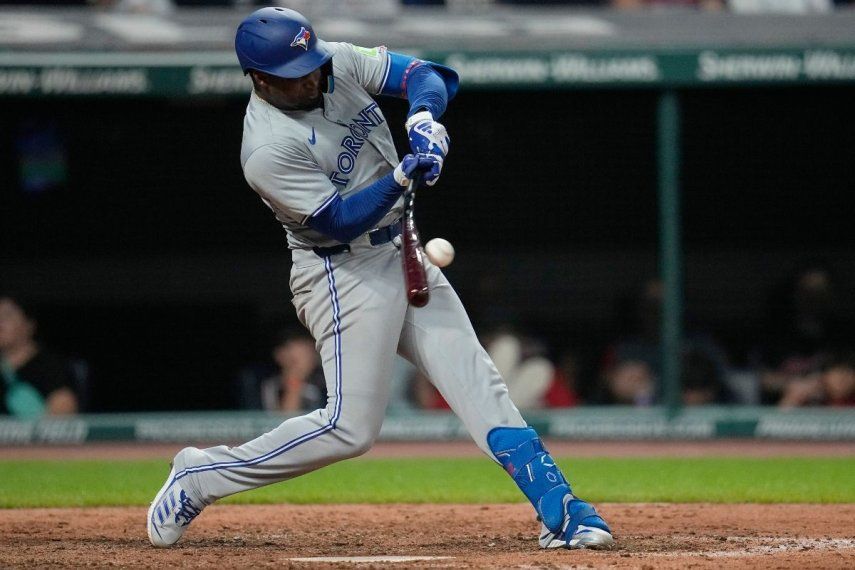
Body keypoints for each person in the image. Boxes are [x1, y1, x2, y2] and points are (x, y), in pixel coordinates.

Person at [146, 6, 612, 551]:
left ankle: (563, 510)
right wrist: (401, 173)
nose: (315, 75)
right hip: (340, 271)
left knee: (476, 381)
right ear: (262, 79)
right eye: (298, 72)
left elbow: (428, 76)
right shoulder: (266, 148)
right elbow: (337, 219)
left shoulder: (333, 62)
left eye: (312, 62)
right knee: (350, 428)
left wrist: (423, 118)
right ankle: (200, 477)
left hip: (401, 245)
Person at [0, 294, 78, 417]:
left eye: (7, 316)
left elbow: (63, 409)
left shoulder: (50, 366)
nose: (0, 323)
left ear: (29, 325)